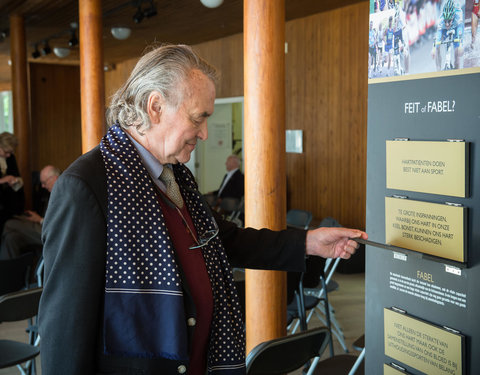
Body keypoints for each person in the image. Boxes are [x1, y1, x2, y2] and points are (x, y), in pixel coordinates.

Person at [38, 44, 367, 375]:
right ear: (155, 107)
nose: (205, 133)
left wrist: (308, 242)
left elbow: (223, 240)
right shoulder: (85, 186)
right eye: (198, 118)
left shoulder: (174, 175)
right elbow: (65, 331)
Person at [0, 165, 59, 260]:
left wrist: (39, 219)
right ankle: (12, 272)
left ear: (54, 178)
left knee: (9, 224)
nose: (43, 186)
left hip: (52, 233)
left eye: (44, 183)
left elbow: (57, 224)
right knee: (11, 238)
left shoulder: (62, 193)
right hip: (43, 226)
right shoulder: (51, 192)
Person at [0, 132, 25, 234]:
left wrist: (15, 181)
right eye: (6, 152)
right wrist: (2, 180)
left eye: (11, 152)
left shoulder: (11, 158)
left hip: (8, 204)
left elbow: (17, 176)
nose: (8, 155)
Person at [431, 0, 464, 70]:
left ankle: (457, 70)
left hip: (456, 28)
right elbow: (438, 36)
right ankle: (438, 70)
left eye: (449, 21)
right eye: (445, 21)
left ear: (453, 16)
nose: (447, 24)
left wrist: (460, 45)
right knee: (437, 47)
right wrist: (434, 48)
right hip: (444, 30)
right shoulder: (441, 21)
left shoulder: (458, 17)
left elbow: (460, 34)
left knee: (457, 52)